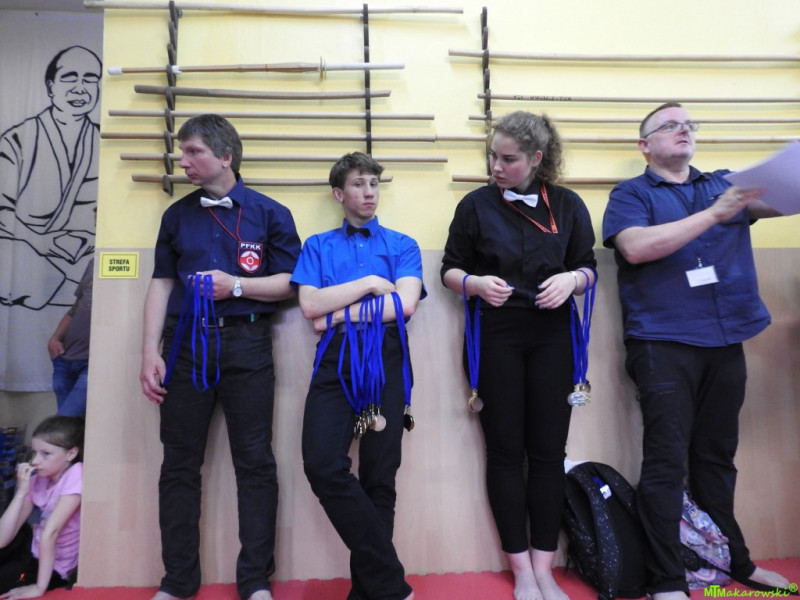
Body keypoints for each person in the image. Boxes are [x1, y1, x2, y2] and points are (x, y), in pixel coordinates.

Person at [601, 102, 793, 600]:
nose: (683, 130)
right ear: (644, 145)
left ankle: (736, 563)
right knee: (666, 463)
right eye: (670, 125)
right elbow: (636, 247)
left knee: (716, 459)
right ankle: (666, 580)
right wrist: (714, 214)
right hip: (662, 343)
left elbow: (785, 201)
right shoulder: (631, 193)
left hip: (726, 341)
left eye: (689, 124)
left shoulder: (724, 184)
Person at [139, 114, 301, 600]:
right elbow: (161, 283)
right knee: (178, 464)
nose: (183, 160)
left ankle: (255, 582)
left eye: (194, 152)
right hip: (185, 345)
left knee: (255, 463)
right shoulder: (176, 216)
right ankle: (177, 582)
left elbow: (291, 284)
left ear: (225, 156)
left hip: (247, 343)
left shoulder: (271, 213)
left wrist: (237, 286)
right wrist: (148, 351)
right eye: (182, 152)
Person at [441, 111, 597, 600]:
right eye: (493, 156)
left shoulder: (568, 205)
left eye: (508, 159)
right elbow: (449, 270)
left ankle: (544, 568)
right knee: (505, 454)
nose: (496, 166)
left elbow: (589, 268)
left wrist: (573, 280)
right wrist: (473, 283)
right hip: (495, 337)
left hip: (554, 338)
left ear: (536, 158)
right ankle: (521, 571)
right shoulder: (474, 206)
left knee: (549, 455)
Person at [291, 152, 424, 600]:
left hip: (386, 354)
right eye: (358, 184)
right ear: (338, 193)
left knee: (380, 475)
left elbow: (404, 304)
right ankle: (391, 585)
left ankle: (369, 592)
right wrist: (368, 283)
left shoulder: (402, 244)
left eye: (374, 184)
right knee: (322, 465)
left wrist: (333, 315)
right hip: (336, 358)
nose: (368, 192)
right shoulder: (317, 246)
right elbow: (309, 304)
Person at [0, 45, 102, 310]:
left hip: (78, 255)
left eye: (90, 79)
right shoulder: (17, 139)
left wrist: (84, 242)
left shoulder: (103, 142)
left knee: (106, 266)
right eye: (69, 78)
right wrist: (40, 242)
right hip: (26, 246)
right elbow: (2, 211)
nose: (80, 88)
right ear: (50, 86)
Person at [0, 416, 84, 599]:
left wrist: (39, 587)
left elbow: (51, 532)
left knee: (4, 580)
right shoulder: (40, 478)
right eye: (34, 452)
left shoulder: (76, 473)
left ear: (71, 454)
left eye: (46, 454)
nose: (36, 460)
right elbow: (2, 539)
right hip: (32, 546)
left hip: (54, 565)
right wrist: (21, 492)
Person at [47, 257, 93, 417]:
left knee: (65, 420)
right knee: (71, 424)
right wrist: (54, 338)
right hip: (66, 357)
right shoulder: (95, 262)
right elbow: (76, 307)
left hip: (94, 362)